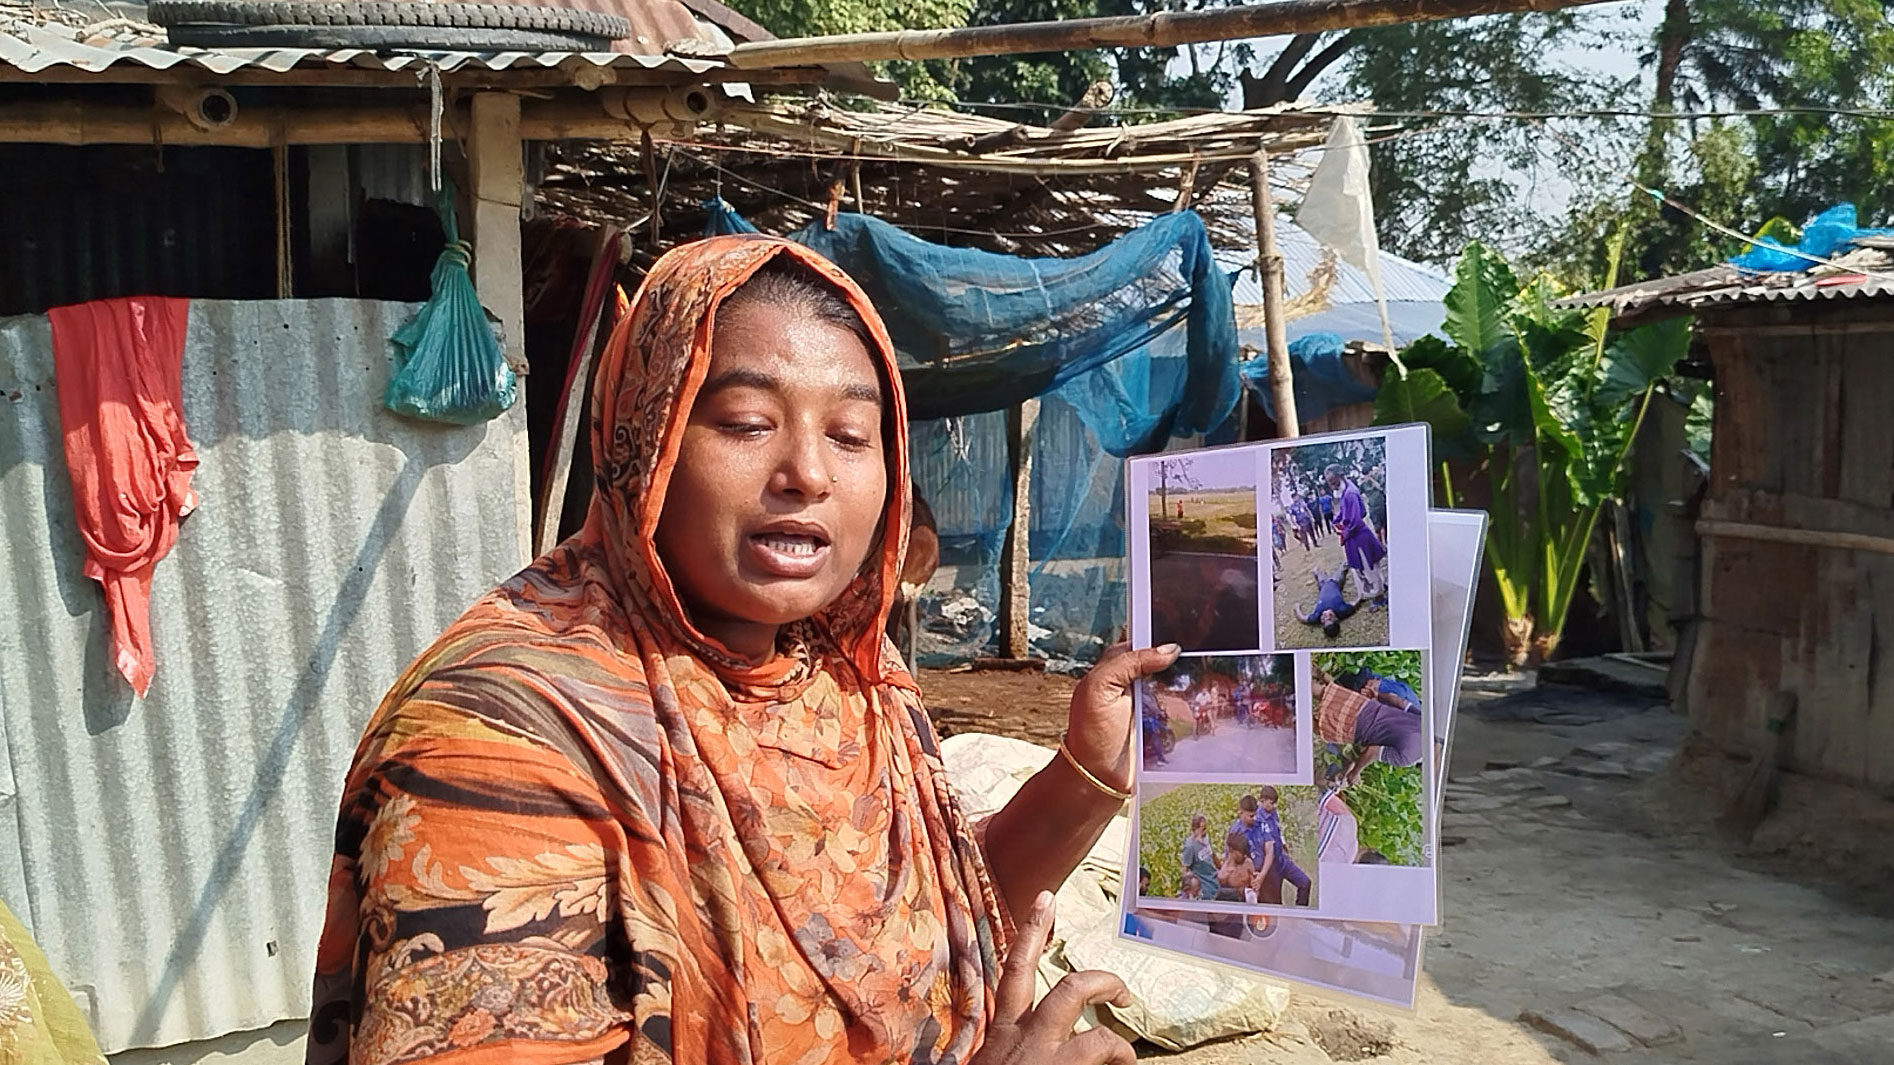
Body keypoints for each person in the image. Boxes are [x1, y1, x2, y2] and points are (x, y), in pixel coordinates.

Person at [308, 237, 1181, 1065]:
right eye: (746, 421)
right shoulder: (506, 740)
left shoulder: (850, 674)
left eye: (851, 434)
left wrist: (1088, 774)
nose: (809, 472)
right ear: (644, 435)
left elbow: (932, 931)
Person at [1327, 463, 1388, 603]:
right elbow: (1345, 512)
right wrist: (1336, 521)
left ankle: (1378, 597)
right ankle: (1378, 590)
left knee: (1367, 566)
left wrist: (1344, 532)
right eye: (1329, 483)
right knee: (1364, 566)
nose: (1332, 486)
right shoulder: (1345, 491)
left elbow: (1356, 519)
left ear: (1340, 476)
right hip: (1354, 536)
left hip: (1358, 536)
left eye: (1333, 482)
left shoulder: (1350, 493)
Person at [1250, 788, 1312, 907]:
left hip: (1281, 860)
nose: (1274, 806)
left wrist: (1284, 845)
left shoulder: (1273, 813)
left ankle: (1300, 912)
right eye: (1271, 803)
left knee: (1305, 883)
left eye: (1275, 803)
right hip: (1270, 866)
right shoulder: (1257, 820)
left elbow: (1278, 830)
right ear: (1263, 801)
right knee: (1276, 904)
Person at [1294, 564, 1363, 639]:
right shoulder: (1342, 610)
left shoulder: (1316, 616)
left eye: (1323, 620)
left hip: (1323, 585)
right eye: (1329, 617)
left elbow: (1303, 618)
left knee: (1318, 574)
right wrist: (1361, 596)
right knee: (1342, 570)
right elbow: (1355, 604)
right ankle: (1347, 562)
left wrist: (1297, 608)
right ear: (1336, 618)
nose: (1325, 615)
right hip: (1335, 582)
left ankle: (1316, 571)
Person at [1179, 814, 1221, 898]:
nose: (1205, 832)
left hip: (1213, 879)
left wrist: (1221, 869)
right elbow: (1185, 868)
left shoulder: (1205, 839)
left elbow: (1213, 856)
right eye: (1203, 829)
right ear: (1195, 830)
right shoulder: (1190, 846)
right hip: (1204, 884)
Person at [1215, 831, 1257, 902]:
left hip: (1246, 901)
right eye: (1241, 852)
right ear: (1231, 850)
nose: (1243, 855)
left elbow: (1255, 886)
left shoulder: (1247, 863)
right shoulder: (1225, 870)